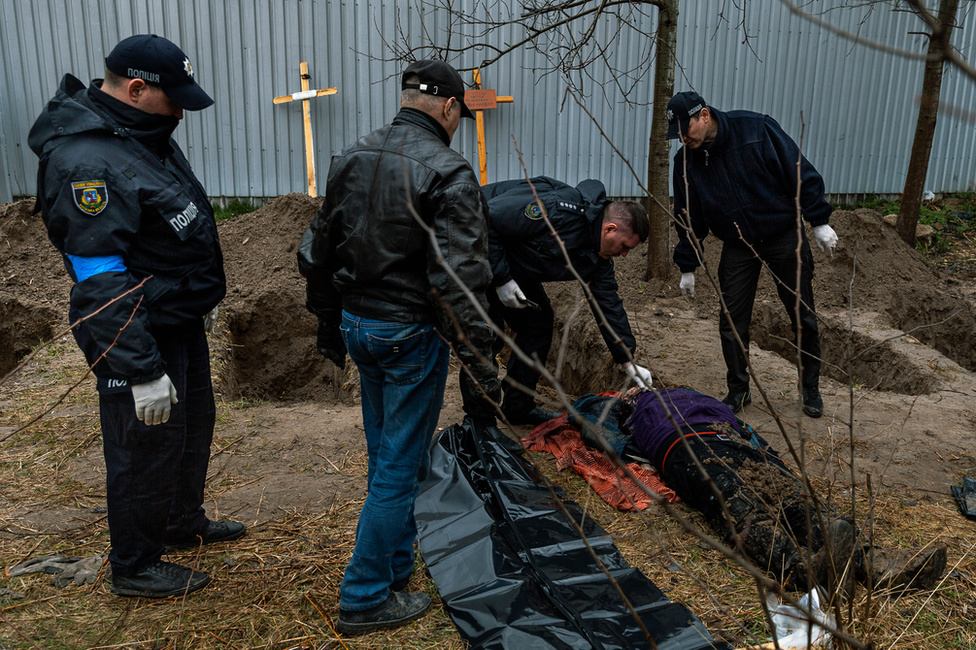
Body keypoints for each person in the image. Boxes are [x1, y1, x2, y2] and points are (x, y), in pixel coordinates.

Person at [28, 34, 245, 598]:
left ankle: (179, 522)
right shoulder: (85, 160)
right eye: (172, 97)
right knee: (144, 444)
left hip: (177, 318)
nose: (180, 110)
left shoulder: (141, 134)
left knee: (191, 427)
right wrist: (139, 368)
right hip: (140, 330)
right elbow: (99, 281)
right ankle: (135, 563)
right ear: (136, 87)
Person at [297, 59, 501, 636]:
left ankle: (393, 567)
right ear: (449, 107)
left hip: (361, 326)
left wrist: (329, 322)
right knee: (398, 466)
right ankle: (363, 597)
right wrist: (482, 359)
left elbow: (315, 251)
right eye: (460, 112)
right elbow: (459, 278)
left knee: (387, 456)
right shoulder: (450, 171)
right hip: (410, 335)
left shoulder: (352, 155)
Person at [569, 388, 948, 592]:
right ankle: (807, 570)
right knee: (738, 502)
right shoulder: (625, 408)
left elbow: (748, 428)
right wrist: (619, 412)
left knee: (791, 496)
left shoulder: (686, 393)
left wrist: (771, 458)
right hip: (682, 447)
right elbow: (588, 418)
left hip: (731, 439)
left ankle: (877, 563)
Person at [667, 91, 839, 418]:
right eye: (675, 134)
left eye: (684, 129)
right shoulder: (686, 161)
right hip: (737, 243)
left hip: (783, 234)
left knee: (801, 313)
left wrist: (818, 220)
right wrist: (687, 264)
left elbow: (798, 171)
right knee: (731, 320)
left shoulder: (756, 130)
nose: (681, 138)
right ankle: (738, 389)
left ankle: (810, 387)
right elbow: (688, 215)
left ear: (703, 115)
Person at [484, 176, 653, 425]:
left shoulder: (599, 259)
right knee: (487, 335)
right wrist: (501, 279)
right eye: (626, 246)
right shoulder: (556, 209)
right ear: (610, 230)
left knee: (538, 323)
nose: (626, 254)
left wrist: (627, 361)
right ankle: (479, 423)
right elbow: (485, 219)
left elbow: (608, 305)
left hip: (513, 265)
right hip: (476, 247)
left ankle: (517, 407)